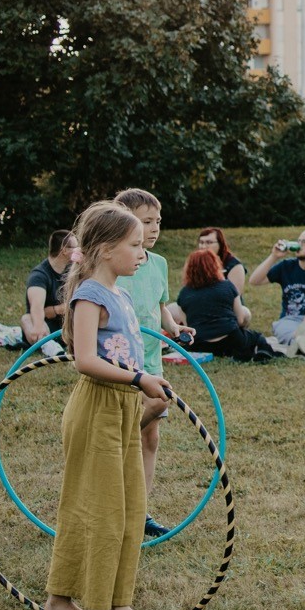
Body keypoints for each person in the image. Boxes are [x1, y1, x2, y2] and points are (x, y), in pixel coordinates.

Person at [44, 199, 169, 610]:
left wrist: (147, 381)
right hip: (96, 406)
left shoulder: (122, 294)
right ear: (104, 250)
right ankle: (60, 599)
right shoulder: (89, 296)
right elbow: (84, 360)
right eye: (134, 245)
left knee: (130, 507)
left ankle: (119, 604)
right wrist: (138, 379)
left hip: (123, 407)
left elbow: (126, 354)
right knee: (95, 507)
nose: (142, 252)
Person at [113, 189, 183, 537]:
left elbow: (160, 306)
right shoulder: (117, 264)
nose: (154, 228)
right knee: (157, 403)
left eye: (158, 221)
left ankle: (138, 511)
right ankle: (110, 448)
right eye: (146, 222)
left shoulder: (159, 264)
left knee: (150, 437)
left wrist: (174, 326)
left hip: (152, 359)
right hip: (120, 360)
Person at [176, 249, 291, 362]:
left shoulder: (184, 294)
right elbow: (240, 320)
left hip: (200, 344)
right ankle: (260, 352)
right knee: (256, 337)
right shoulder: (227, 286)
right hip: (231, 339)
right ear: (215, 265)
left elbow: (188, 327)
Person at [251, 230, 305, 358]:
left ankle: (296, 344)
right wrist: (274, 256)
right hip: (290, 319)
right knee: (281, 326)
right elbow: (254, 280)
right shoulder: (286, 266)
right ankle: (303, 346)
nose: (299, 244)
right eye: (298, 241)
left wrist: (303, 330)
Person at [23, 230, 77, 354]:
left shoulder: (73, 271)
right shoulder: (39, 276)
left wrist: (56, 310)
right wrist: (59, 309)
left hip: (67, 323)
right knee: (26, 319)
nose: (79, 250)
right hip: (46, 326)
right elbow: (37, 309)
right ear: (64, 250)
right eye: (75, 247)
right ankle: (49, 347)